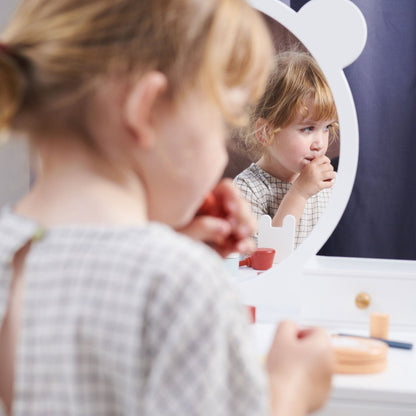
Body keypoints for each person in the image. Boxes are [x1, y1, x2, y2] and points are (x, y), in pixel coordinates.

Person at [0, 1, 334, 415]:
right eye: (221, 120)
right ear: (146, 110)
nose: (222, 149)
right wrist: (290, 393)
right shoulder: (181, 284)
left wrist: (169, 240)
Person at [234, 51, 338, 248]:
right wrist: (299, 193)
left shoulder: (326, 184)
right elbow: (263, 256)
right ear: (266, 132)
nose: (320, 143)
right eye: (308, 128)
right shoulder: (248, 189)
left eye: (327, 128)